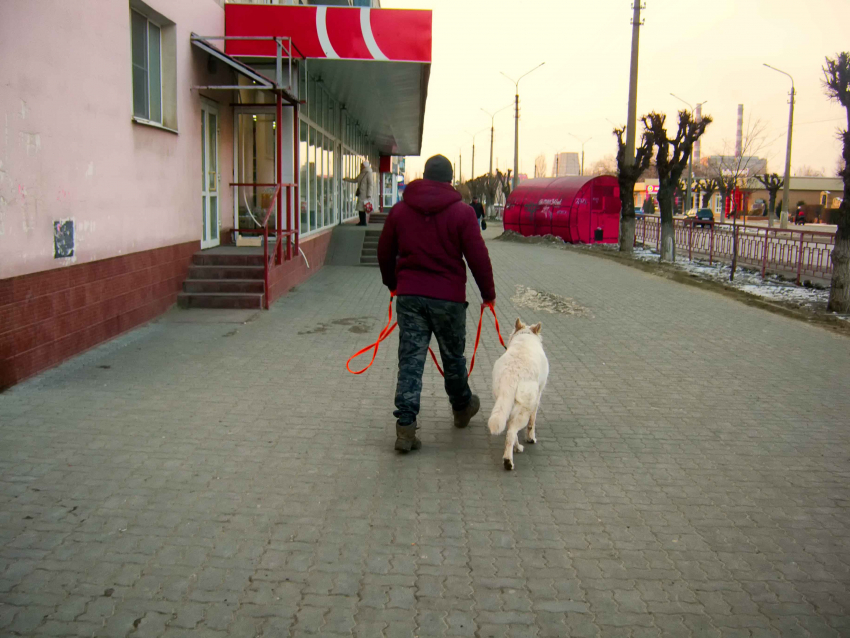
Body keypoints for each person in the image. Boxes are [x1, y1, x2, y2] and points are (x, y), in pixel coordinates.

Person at [377, 155, 496, 453]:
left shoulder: (400, 211)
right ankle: (461, 408)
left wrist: (393, 284)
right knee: (453, 358)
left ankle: (405, 425)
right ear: (449, 180)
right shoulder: (463, 213)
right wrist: (488, 295)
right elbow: (477, 256)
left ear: (425, 177)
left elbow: (384, 251)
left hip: (410, 297)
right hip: (449, 300)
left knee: (411, 360)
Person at [344, 161, 374, 226]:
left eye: (361, 165)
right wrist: (346, 179)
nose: (360, 167)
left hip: (365, 194)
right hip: (361, 193)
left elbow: (370, 185)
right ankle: (362, 222)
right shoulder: (361, 174)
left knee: (363, 208)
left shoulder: (368, 173)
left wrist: (369, 194)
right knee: (360, 208)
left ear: (364, 166)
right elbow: (355, 180)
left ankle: (363, 222)